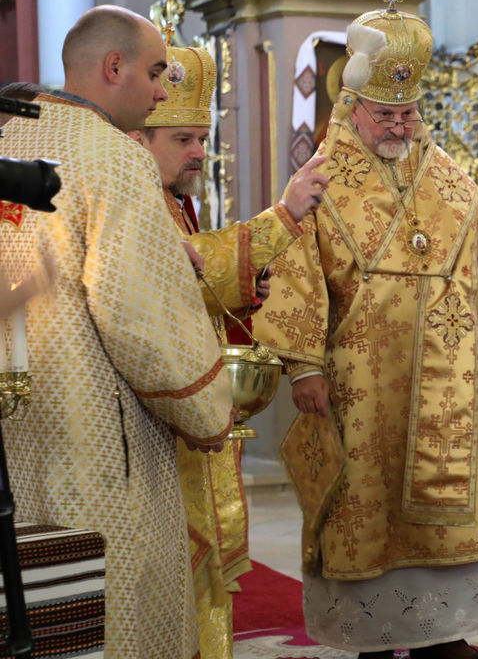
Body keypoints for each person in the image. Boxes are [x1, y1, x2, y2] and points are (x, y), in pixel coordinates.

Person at [255, 0, 478, 659]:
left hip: (448, 382)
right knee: (369, 512)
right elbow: (298, 275)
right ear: (352, 106)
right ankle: (373, 641)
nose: (400, 124)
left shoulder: (448, 177)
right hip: (362, 386)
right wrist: (303, 367)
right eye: (387, 114)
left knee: (443, 519)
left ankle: (441, 636)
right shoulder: (319, 183)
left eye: (410, 112)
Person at [0, 4, 233, 657]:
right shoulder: (117, 161)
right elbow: (140, 318)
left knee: (34, 615)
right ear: (113, 67)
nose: (162, 90)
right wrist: (207, 408)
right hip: (97, 443)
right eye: (156, 72)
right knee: (113, 619)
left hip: (14, 435)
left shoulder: (6, 141)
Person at [124, 40, 328, 658]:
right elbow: (166, 271)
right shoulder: (134, 201)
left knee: (206, 588)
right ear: (140, 142)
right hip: (160, 429)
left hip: (193, 424)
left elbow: (195, 281)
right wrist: (284, 214)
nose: (198, 152)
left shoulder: (176, 204)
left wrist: (238, 296)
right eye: (183, 139)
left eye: (200, 137)